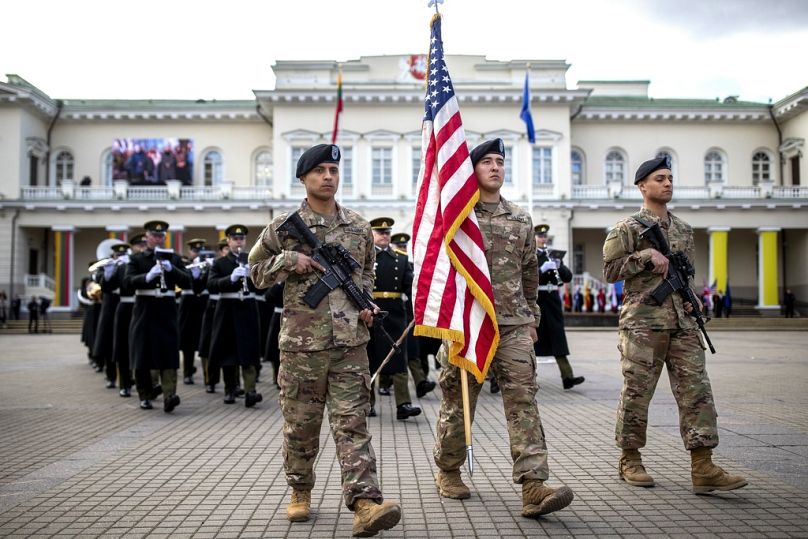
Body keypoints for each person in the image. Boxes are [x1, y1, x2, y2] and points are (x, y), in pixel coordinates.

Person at [249, 143, 401, 535]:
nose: (328, 176)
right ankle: (300, 490)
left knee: (353, 425)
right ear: (304, 177)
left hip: (351, 345)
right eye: (319, 170)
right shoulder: (284, 227)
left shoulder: (358, 227)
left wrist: (366, 306)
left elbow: (364, 277)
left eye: (333, 169)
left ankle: (365, 503)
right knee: (301, 427)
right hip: (303, 347)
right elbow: (253, 272)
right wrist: (288, 261)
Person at [433, 138, 573, 517]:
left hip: (512, 323)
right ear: (472, 169)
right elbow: (438, 270)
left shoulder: (520, 219)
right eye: (487, 162)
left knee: (523, 400)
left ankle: (533, 485)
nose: (495, 167)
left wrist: (532, 320)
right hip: (468, 323)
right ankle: (448, 468)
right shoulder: (457, 215)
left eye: (500, 161)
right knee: (460, 402)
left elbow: (530, 274)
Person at [603, 154, 747, 494]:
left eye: (670, 178)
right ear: (642, 186)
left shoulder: (683, 229)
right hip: (643, 324)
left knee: (697, 392)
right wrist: (644, 257)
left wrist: (692, 297)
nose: (667, 183)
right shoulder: (627, 228)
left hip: (682, 323)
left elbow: (687, 274)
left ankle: (703, 466)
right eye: (659, 179)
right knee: (638, 392)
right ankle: (630, 458)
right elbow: (609, 271)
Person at [125, 220, 192, 412]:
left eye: (161, 235)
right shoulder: (137, 259)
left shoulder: (174, 259)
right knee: (142, 354)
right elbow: (127, 282)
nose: (158, 238)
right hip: (145, 311)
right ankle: (145, 395)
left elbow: (188, 282)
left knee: (169, 354)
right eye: (154, 235)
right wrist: (146, 277)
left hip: (167, 310)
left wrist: (173, 270)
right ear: (146, 236)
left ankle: (170, 395)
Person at [367, 217, 421, 420]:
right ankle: (368, 403)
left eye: (387, 233)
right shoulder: (365, 258)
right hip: (372, 313)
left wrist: (419, 305)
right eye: (380, 233)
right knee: (370, 360)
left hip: (396, 314)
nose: (385, 236)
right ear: (371, 235)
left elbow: (410, 286)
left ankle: (403, 404)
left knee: (398, 358)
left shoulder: (400, 258)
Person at [207, 225, 263, 407]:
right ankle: (230, 389)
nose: (239, 242)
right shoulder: (220, 263)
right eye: (235, 239)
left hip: (247, 309)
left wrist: (252, 277)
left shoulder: (251, 260)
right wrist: (230, 278)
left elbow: (264, 285)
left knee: (248, 352)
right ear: (229, 241)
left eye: (241, 239)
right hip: (227, 311)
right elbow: (212, 285)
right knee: (228, 353)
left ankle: (250, 391)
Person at [533, 224, 585, 390]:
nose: (543, 239)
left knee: (558, 337)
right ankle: (527, 378)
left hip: (553, 300)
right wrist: (541, 269)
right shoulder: (531, 255)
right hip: (538, 300)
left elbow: (568, 277)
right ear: (534, 238)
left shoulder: (552, 255)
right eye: (540, 236)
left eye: (544, 236)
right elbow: (526, 278)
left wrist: (559, 265)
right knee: (533, 339)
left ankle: (567, 377)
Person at [391, 231, 436, 398]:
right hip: (392, 315)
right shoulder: (384, 263)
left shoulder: (408, 265)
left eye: (404, 246)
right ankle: (385, 383)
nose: (402, 248)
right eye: (399, 246)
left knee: (412, 349)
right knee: (393, 352)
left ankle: (420, 382)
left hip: (408, 316)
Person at [112, 234, 146, 398]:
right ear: (132, 247)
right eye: (139, 245)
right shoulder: (124, 265)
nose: (142, 247)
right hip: (126, 307)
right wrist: (108, 272)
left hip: (144, 306)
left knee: (143, 348)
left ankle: (146, 386)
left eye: (144, 244)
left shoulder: (149, 263)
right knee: (124, 348)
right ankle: (125, 384)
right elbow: (108, 287)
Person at [93, 243, 129, 389]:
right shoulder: (105, 266)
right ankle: (111, 376)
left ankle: (127, 378)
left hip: (125, 305)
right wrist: (110, 271)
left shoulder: (129, 265)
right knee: (109, 344)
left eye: (122, 254)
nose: (119, 257)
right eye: (117, 255)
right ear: (113, 255)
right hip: (110, 308)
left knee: (125, 344)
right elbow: (101, 282)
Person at [198, 238, 229, 393]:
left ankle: (233, 384)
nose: (228, 253)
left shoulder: (233, 264)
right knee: (210, 346)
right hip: (213, 307)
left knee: (229, 347)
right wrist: (202, 271)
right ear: (221, 251)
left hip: (227, 308)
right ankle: (211, 379)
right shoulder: (216, 265)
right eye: (225, 250)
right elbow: (201, 287)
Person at [178, 238, 208, 385]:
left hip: (202, 303)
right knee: (187, 342)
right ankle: (187, 372)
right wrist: (193, 274)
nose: (197, 253)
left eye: (200, 250)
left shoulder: (207, 265)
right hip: (188, 304)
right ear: (190, 251)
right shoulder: (184, 264)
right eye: (195, 250)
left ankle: (208, 376)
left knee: (204, 339)